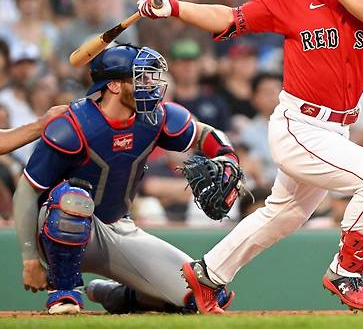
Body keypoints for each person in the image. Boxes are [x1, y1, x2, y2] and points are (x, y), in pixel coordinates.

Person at [137, 0, 363, 312]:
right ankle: (345, 272)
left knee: (286, 214)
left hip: (339, 128)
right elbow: (230, 18)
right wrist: (173, 6)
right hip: (301, 126)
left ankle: (210, 273)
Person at [13, 44, 241, 314]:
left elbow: (205, 133)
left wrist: (227, 157)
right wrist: (29, 259)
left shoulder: (154, 117)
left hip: (119, 226)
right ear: (114, 86)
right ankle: (64, 291)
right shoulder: (74, 124)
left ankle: (117, 295)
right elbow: (26, 193)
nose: (150, 84)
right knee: (74, 201)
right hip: (58, 226)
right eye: (140, 77)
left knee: (204, 294)